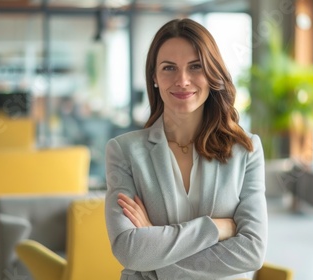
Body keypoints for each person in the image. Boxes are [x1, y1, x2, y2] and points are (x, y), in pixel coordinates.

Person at [105, 18, 267, 280]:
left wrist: (155, 258)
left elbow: (252, 252)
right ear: (154, 78)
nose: (182, 80)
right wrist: (216, 228)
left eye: (196, 67)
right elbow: (129, 250)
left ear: (213, 74)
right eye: (169, 68)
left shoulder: (245, 151)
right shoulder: (123, 151)